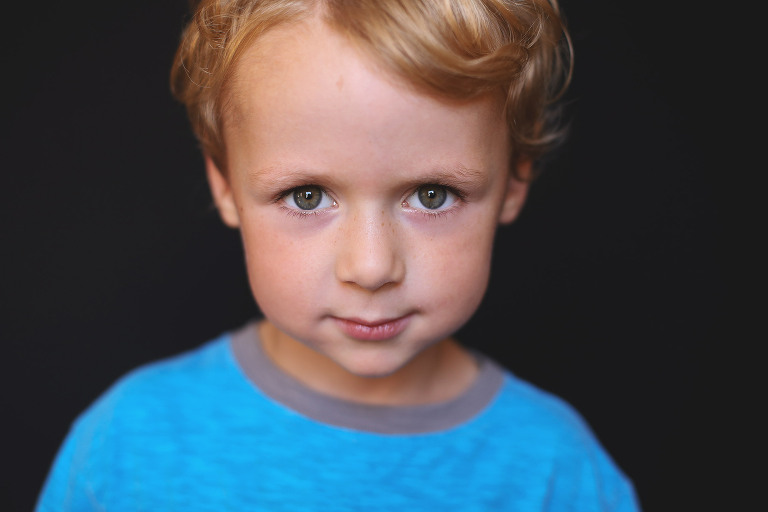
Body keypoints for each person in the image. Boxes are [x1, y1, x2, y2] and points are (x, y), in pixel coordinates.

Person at [35, 0, 641, 510]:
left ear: (514, 181)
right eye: (306, 195)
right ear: (224, 184)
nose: (372, 268)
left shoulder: (559, 472)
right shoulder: (130, 444)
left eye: (433, 195)